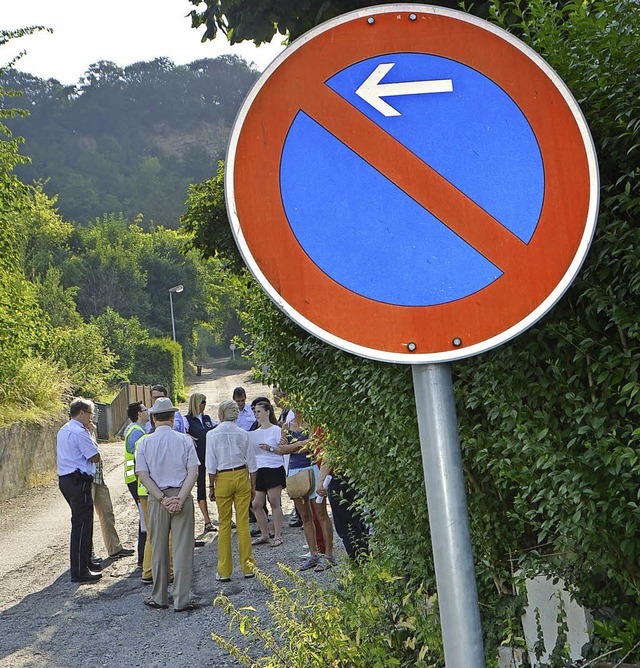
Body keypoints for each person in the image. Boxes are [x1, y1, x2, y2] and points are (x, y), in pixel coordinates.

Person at [135, 397, 200, 611]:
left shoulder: (144, 442)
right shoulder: (185, 440)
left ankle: (159, 596)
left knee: (159, 548)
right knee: (182, 549)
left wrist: (163, 499)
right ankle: (182, 599)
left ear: (153, 418)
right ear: (172, 417)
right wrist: (180, 498)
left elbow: (142, 475)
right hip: (181, 495)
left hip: (157, 498)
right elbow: (193, 472)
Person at [206, 400, 258, 581]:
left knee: (224, 524)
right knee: (243, 522)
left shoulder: (212, 435)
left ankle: (224, 570)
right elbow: (252, 463)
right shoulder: (243, 434)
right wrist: (253, 485)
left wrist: (211, 486)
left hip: (222, 478)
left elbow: (210, 465)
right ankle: (248, 566)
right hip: (241, 475)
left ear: (221, 414)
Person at [57, 398, 101, 583]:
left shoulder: (65, 429)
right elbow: (95, 456)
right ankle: (79, 570)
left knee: (81, 523)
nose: (91, 417)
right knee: (82, 525)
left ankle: (86, 562)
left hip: (67, 480)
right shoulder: (80, 432)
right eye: (90, 413)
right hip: (78, 481)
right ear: (81, 413)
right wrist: (91, 435)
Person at [249, 401, 285, 547]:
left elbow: (282, 449)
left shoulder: (276, 430)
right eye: (255, 411)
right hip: (260, 468)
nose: (256, 414)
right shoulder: (254, 433)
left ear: (267, 412)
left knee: (274, 501)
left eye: (259, 411)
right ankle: (264, 534)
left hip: (274, 466)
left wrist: (270, 448)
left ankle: (278, 535)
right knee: (257, 503)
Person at [185, 392, 217, 533]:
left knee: (218, 485)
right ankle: (207, 521)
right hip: (197, 459)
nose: (204, 404)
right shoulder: (187, 420)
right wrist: (187, 436)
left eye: (205, 402)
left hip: (211, 457)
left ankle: (224, 516)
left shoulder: (208, 418)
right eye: (202, 402)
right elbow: (180, 433)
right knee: (201, 488)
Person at [124, 401, 149, 565]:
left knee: (145, 518)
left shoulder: (138, 430)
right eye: (145, 409)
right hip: (136, 481)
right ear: (139, 413)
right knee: (145, 519)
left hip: (136, 479)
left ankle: (144, 556)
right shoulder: (136, 432)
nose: (148, 412)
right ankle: (143, 557)